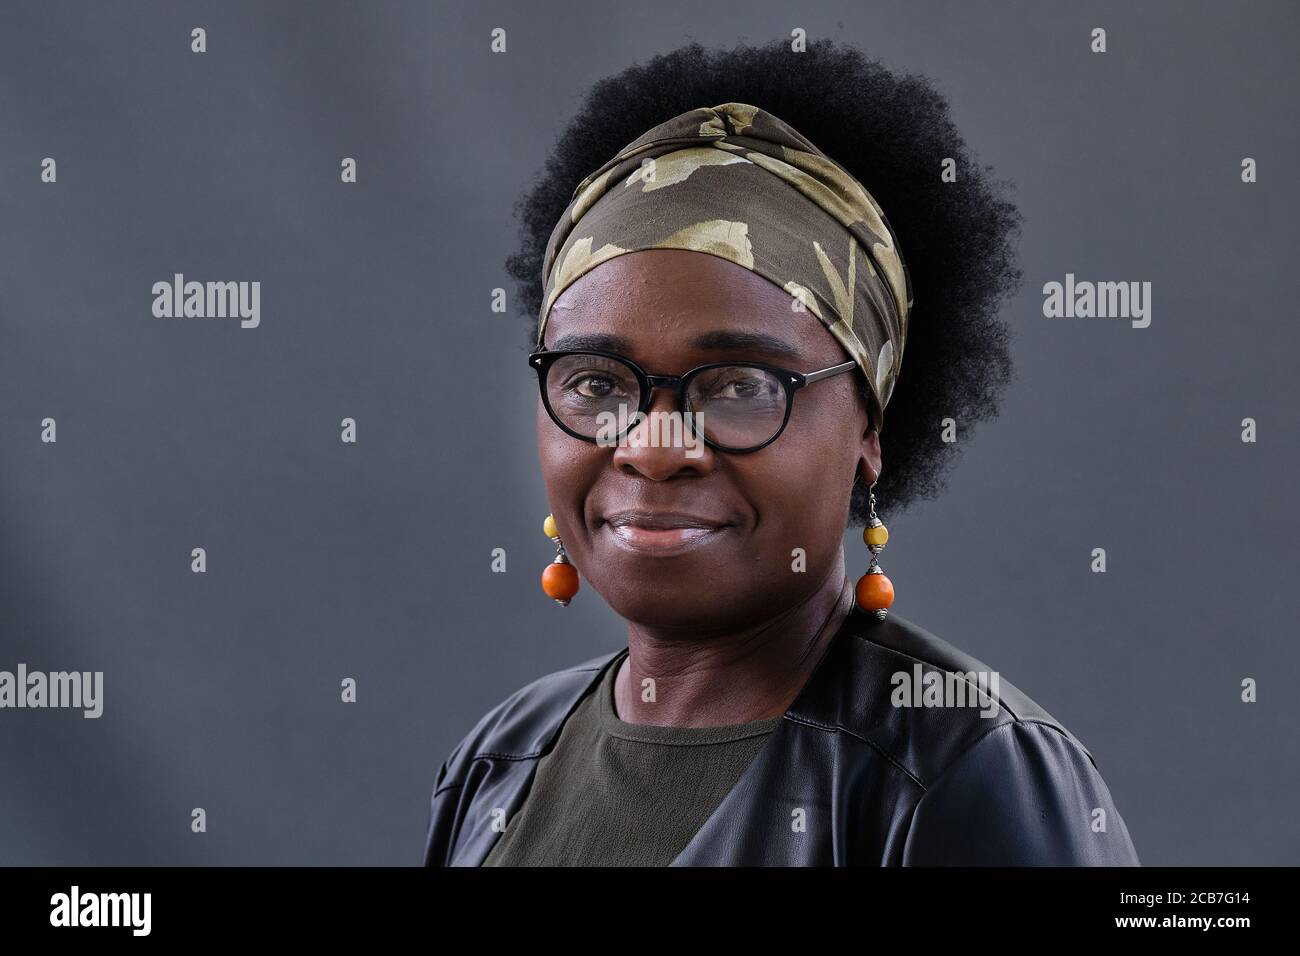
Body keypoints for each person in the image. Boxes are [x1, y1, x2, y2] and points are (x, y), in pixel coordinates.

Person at [424, 41, 1139, 866]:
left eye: (738, 386)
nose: (654, 447)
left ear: (868, 430)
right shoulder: (501, 761)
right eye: (595, 383)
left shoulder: (964, 767)